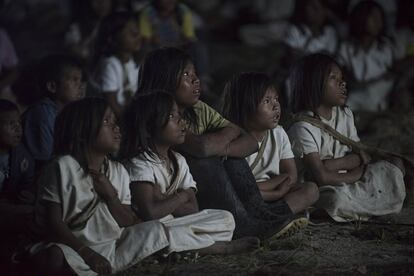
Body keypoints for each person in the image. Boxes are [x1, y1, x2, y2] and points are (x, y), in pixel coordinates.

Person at [135, 47, 307, 240]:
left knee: (231, 156)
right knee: (207, 160)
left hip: (208, 191)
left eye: (195, 73)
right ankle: (245, 226)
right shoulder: (154, 116)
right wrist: (222, 143)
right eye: (186, 74)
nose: (196, 80)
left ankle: (259, 215)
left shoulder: (199, 109)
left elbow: (249, 142)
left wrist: (223, 147)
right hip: (182, 196)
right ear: (163, 79)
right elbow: (201, 148)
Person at [29, 97, 171, 275]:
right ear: (82, 130)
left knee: (156, 230)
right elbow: (53, 222)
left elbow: (126, 221)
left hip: (109, 244)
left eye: (115, 122)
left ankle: (99, 266)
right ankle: (96, 266)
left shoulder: (118, 170)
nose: (116, 128)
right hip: (72, 246)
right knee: (55, 256)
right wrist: (86, 253)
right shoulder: (63, 166)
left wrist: (111, 196)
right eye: (106, 121)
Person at [121, 91, 260, 255]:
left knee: (226, 219)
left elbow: (193, 209)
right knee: (158, 232)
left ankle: (183, 247)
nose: (182, 121)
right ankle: (218, 248)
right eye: (172, 116)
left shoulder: (179, 161)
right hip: (153, 227)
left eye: (179, 114)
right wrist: (181, 196)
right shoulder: (140, 163)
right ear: (149, 128)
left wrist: (163, 200)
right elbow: (150, 213)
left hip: (178, 224)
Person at [287, 53, 406, 222]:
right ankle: (365, 208)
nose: (342, 83)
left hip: (348, 178)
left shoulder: (345, 114)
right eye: (333, 78)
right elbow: (322, 177)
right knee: (337, 199)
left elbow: (360, 156)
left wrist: (333, 164)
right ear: (313, 83)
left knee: (395, 165)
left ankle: (359, 209)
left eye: (342, 78)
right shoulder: (303, 127)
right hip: (327, 188)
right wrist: (359, 172)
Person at [222, 72, 319, 213]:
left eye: (276, 99)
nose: (276, 106)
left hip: (270, 194)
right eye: (267, 101)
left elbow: (291, 176)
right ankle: (278, 216)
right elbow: (238, 188)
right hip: (247, 197)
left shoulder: (278, 133)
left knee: (311, 190)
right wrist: (275, 190)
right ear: (245, 106)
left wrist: (274, 190)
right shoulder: (232, 141)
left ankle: (272, 216)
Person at [23, 54, 84, 170]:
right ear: (52, 86)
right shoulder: (42, 113)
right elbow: (46, 160)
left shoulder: (67, 113)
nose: (80, 85)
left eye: (80, 80)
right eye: (74, 79)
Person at [337, 0, 395, 111]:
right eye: (373, 17)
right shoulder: (347, 48)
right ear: (361, 19)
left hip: (381, 103)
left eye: (380, 18)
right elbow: (343, 79)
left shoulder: (386, 47)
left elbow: (391, 78)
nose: (378, 22)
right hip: (353, 101)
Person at [0, 100, 35, 272]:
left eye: (19, 122)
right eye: (10, 124)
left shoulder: (22, 155)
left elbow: (28, 183)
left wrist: (28, 194)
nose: (18, 128)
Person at [91, 11, 141, 118]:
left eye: (136, 28)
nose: (136, 33)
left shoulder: (133, 62)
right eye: (129, 31)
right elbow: (113, 106)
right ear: (111, 38)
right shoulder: (109, 64)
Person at [64, 0, 112, 68]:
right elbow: (72, 50)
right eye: (97, 1)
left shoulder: (116, 24)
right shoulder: (77, 28)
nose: (102, 4)